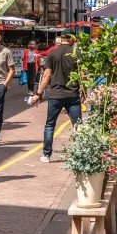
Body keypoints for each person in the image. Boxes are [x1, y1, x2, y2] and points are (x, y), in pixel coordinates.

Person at [29, 34, 81, 163]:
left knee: (50, 125)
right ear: (71, 39)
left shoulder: (52, 54)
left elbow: (47, 75)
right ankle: (81, 153)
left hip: (56, 94)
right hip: (72, 94)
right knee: (78, 125)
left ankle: (46, 154)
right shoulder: (77, 54)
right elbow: (83, 75)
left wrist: (38, 93)